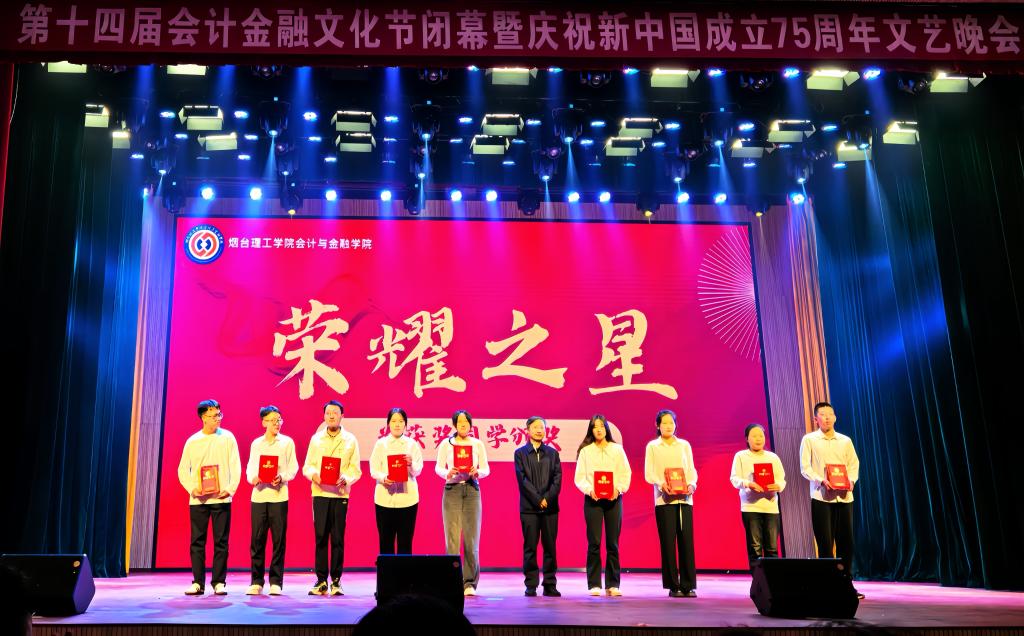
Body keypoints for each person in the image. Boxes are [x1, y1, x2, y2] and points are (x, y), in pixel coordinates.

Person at [177, 399, 241, 596]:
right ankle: (198, 582)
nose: (218, 419)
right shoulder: (193, 441)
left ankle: (219, 582)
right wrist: (192, 489)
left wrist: (230, 489)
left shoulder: (228, 437)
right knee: (197, 541)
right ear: (203, 417)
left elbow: (236, 465)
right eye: (213, 416)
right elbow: (182, 470)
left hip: (221, 498)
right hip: (199, 500)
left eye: (219, 414)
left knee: (221, 542)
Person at [799, 401, 863, 598]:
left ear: (835, 417)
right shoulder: (809, 440)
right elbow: (805, 468)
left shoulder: (845, 440)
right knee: (825, 543)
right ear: (815, 419)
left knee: (846, 543)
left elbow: (853, 464)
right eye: (823, 414)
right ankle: (827, 586)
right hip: (821, 497)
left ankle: (846, 584)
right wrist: (821, 480)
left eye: (830, 414)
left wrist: (851, 480)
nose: (827, 417)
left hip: (844, 498)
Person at [302, 399, 362, 596]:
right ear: (324, 416)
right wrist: (314, 475)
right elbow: (307, 466)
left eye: (335, 413)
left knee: (337, 538)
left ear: (342, 416)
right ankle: (321, 580)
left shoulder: (350, 440)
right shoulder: (316, 439)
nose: (331, 416)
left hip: (340, 494)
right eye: (328, 413)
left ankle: (336, 581)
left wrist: (347, 478)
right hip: (320, 493)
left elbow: (356, 469)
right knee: (320, 537)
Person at [574, 414, 631, 596]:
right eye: (594, 426)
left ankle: (613, 584)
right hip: (593, 501)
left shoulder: (617, 449)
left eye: (601, 426)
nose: (598, 429)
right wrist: (590, 490)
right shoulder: (586, 451)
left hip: (614, 500)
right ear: (591, 430)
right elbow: (579, 477)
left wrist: (618, 489)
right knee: (594, 542)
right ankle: (594, 584)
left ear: (606, 428)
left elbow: (625, 473)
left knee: (613, 543)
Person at [435, 409, 490, 597]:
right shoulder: (446, 443)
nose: (463, 425)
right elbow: (438, 467)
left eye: (466, 422)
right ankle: (451, 581)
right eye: (459, 422)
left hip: (472, 490)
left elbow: (486, 468)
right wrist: (447, 473)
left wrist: (478, 472)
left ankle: (469, 583)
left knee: (471, 539)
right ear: (454, 425)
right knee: (452, 539)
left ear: (470, 424)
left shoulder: (477, 444)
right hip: (452, 490)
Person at [643, 409, 698, 598]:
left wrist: (692, 484)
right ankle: (673, 585)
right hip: (663, 500)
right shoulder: (653, 446)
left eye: (671, 423)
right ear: (657, 425)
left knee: (686, 542)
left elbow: (691, 469)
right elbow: (649, 473)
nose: (668, 426)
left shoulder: (684, 445)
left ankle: (688, 585)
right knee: (668, 542)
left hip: (685, 499)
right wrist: (661, 484)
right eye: (664, 423)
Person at [245, 405, 299, 596]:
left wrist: (282, 477)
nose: (277, 423)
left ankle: (276, 581)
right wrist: (253, 478)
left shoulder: (287, 443)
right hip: (259, 496)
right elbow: (250, 468)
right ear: (264, 422)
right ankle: (256, 581)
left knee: (278, 540)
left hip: (279, 496)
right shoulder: (256, 444)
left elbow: (293, 468)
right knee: (257, 540)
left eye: (279, 420)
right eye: (273, 420)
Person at [513, 415, 562, 597]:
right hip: (529, 509)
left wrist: (546, 498)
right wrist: (537, 499)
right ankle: (531, 584)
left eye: (542, 427)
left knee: (550, 547)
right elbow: (522, 480)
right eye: (535, 427)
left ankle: (549, 584)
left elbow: (557, 479)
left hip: (550, 508)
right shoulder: (520, 453)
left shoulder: (553, 453)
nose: (539, 430)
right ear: (528, 430)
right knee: (530, 547)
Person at [729, 423, 786, 571]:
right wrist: (749, 484)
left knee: (772, 549)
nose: (758, 439)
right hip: (750, 507)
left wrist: (778, 486)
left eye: (761, 435)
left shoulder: (773, 457)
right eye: (754, 436)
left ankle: (771, 581)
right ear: (747, 439)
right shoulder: (741, 456)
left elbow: (782, 479)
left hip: (771, 507)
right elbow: (734, 479)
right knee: (755, 549)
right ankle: (758, 582)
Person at [370, 407, 424, 555]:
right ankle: (387, 571)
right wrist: (383, 478)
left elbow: (418, 470)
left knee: (405, 543)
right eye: (394, 421)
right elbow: (373, 469)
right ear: (388, 424)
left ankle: (404, 571)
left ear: (405, 424)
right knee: (385, 542)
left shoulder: (412, 444)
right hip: (384, 500)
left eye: (401, 421)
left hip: (408, 500)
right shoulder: (381, 444)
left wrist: (411, 464)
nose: (397, 424)